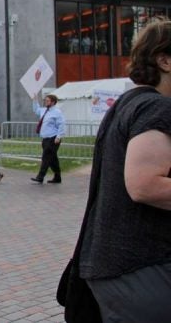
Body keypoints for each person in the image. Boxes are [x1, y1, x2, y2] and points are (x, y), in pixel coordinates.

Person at [75, 19, 171, 320]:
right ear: (164, 60)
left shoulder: (128, 103)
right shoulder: (157, 108)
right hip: (141, 268)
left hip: (116, 266)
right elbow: (145, 185)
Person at [30, 93, 65, 184]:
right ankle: (57, 177)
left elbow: (61, 125)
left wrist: (59, 136)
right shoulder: (44, 110)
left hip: (53, 138)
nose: (45, 101)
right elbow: (36, 110)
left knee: (46, 157)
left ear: (53, 102)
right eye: (45, 100)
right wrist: (35, 100)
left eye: (47, 100)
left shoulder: (57, 112)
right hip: (45, 138)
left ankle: (40, 177)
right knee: (52, 159)